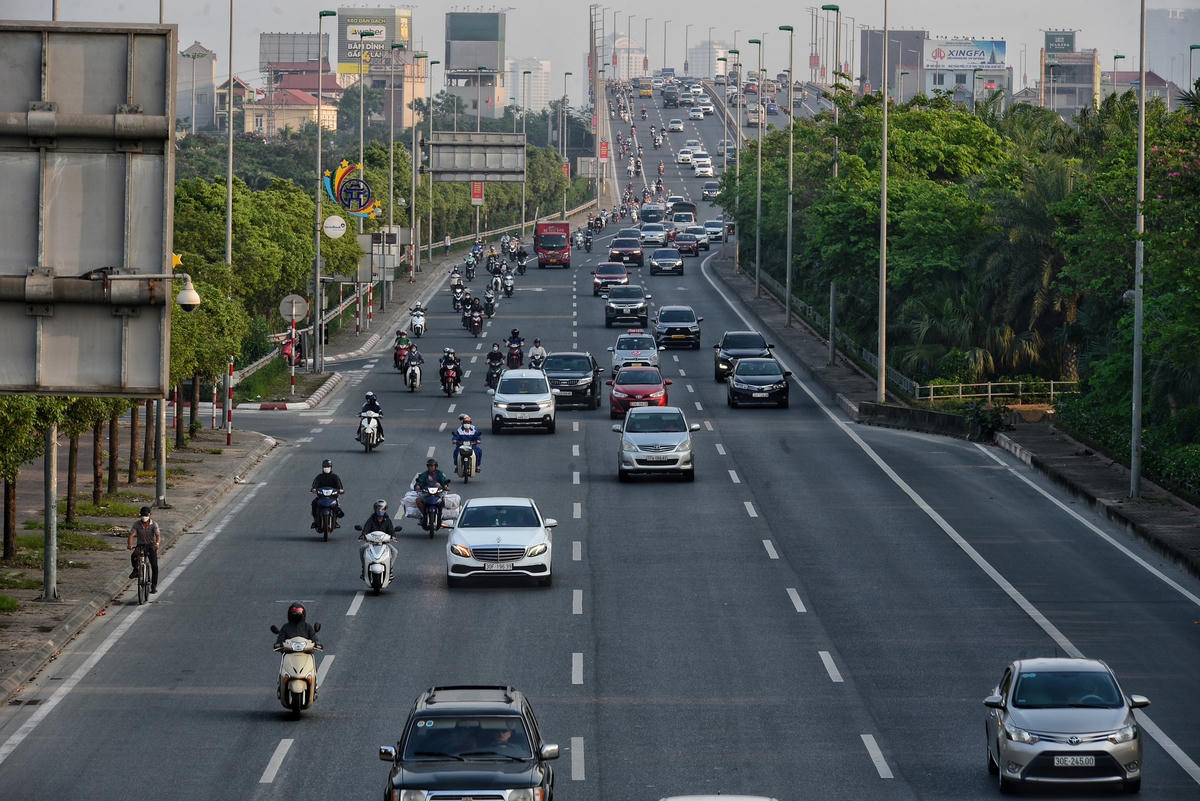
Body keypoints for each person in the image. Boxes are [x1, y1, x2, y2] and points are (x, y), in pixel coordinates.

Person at [358, 499, 397, 581]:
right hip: (371, 543)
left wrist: (393, 536)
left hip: (384, 544)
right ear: (375, 509)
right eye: (378, 509)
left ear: (385, 509)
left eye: (382, 509)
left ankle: (390, 570)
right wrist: (363, 535)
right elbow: (366, 529)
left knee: (394, 551)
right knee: (362, 548)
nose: (380, 511)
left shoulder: (387, 520)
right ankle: (364, 569)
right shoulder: (371, 519)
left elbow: (391, 530)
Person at [127, 505, 161, 593]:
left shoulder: (154, 524)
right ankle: (136, 570)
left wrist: (157, 544)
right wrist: (130, 544)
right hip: (140, 545)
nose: (144, 517)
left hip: (151, 546)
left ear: (150, 515)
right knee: (134, 556)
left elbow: (158, 536)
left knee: (154, 566)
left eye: (146, 515)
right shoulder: (136, 524)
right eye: (142, 515)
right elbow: (131, 535)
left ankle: (153, 586)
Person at [310, 458, 345, 529]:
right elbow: (314, 486)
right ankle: (315, 521)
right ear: (322, 468)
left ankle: (335, 521)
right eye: (325, 467)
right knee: (314, 503)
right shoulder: (319, 477)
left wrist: (340, 490)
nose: (327, 468)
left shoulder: (335, 477)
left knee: (337, 506)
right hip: (321, 497)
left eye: (328, 467)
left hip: (333, 497)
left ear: (331, 467)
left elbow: (340, 488)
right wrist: (313, 489)